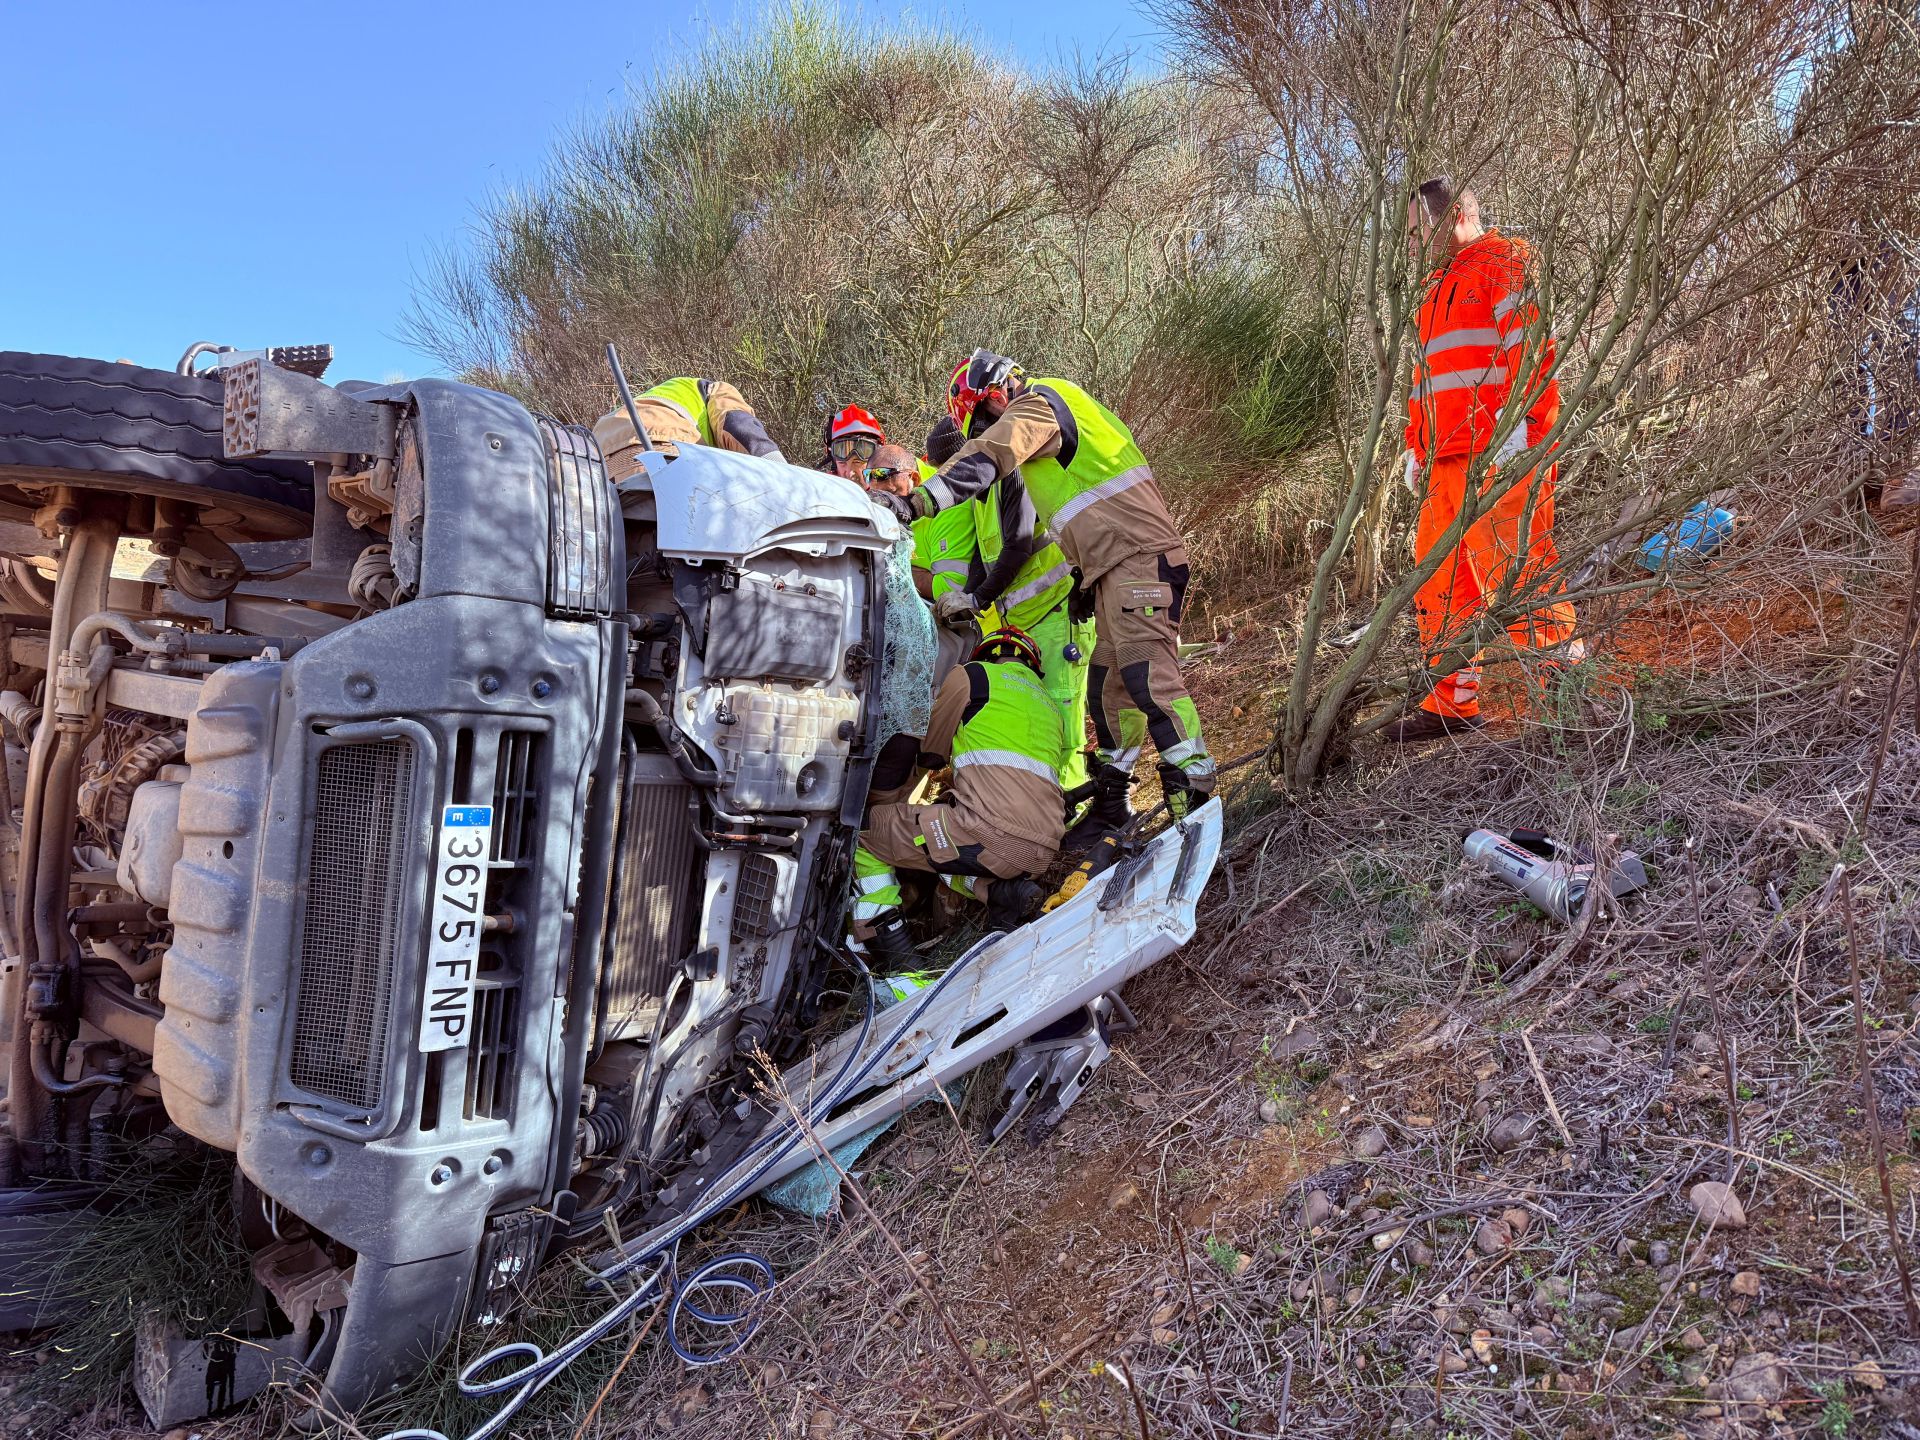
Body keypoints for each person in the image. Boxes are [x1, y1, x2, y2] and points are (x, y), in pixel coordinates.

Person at [883, 351, 1212, 825]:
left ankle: (1195, 796)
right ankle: (1112, 803)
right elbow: (1083, 509)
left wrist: (918, 502)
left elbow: (994, 453)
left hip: (1137, 561)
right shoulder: (1047, 436)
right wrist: (1082, 578)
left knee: (1148, 680)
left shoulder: (1040, 402)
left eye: (982, 421)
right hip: (1112, 570)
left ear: (997, 394)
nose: (981, 434)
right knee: (1108, 692)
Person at [1391, 177, 1577, 741]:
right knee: (1439, 581)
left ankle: (1565, 691)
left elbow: (1530, 352)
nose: (1410, 244)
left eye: (1415, 231)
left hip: (1501, 454)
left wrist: (1524, 431)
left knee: (1519, 573)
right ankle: (1451, 705)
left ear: (1451, 219)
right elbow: (1426, 381)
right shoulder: (1431, 289)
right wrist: (1414, 447)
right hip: (1443, 460)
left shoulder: (1505, 263)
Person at [850, 626, 1069, 970]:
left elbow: (931, 754)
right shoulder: (1053, 708)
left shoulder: (973, 675)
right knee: (950, 853)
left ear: (985, 654)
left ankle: (896, 959)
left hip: (983, 831)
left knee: (862, 833)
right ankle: (997, 894)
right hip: (1041, 850)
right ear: (1032, 665)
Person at [593, 375, 784, 476]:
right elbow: (738, 425)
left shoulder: (646, 400)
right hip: (663, 447)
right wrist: (783, 472)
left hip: (602, 464)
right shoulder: (715, 389)